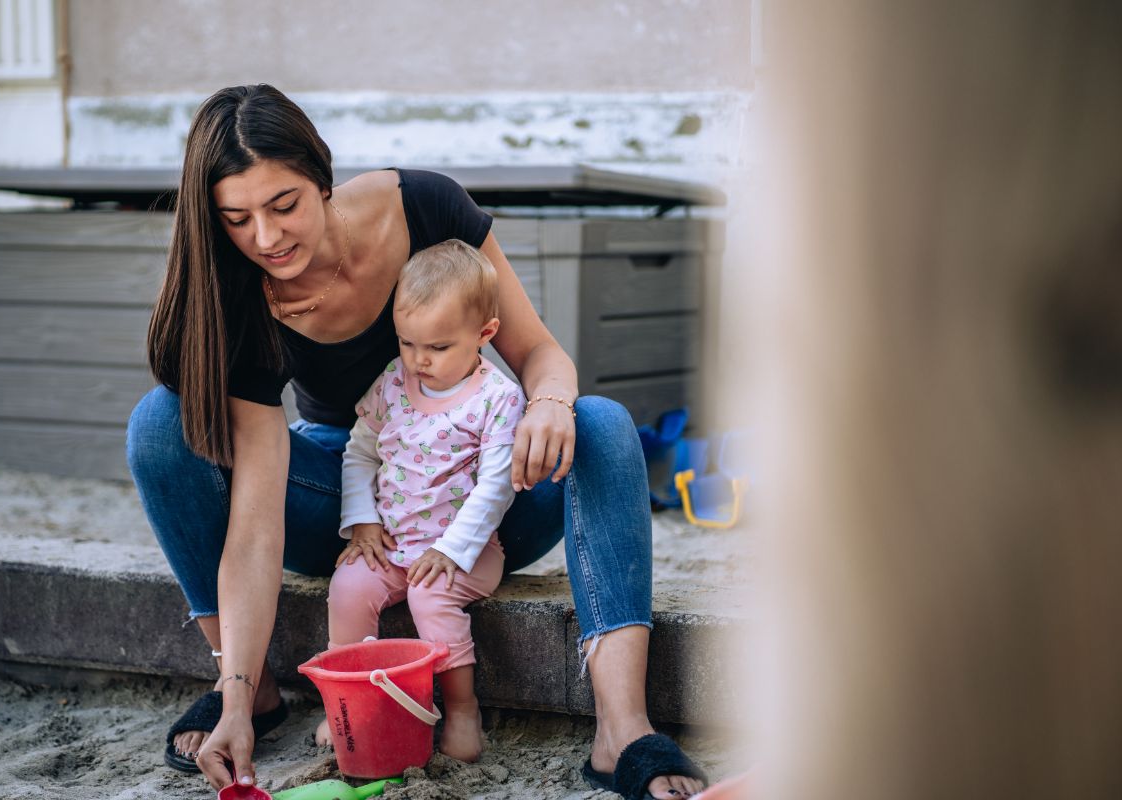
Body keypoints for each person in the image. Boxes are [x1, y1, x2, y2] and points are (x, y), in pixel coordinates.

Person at [125, 83, 707, 797]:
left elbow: (540, 355)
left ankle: (625, 732)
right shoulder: (240, 295)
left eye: (284, 206)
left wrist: (550, 401)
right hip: (350, 511)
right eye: (237, 219)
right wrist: (238, 695)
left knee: (602, 422)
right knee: (159, 421)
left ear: (321, 176)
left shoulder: (426, 207)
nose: (267, 240)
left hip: (482, 502)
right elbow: (254, 520)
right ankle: (248, 690)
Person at [327, 239, 523, 763]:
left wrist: (453, 550)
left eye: (437, 347)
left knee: (429, 597)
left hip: (466, 552)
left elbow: (496, 486)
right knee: (348, 586)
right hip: (393, 544)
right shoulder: (394, 380)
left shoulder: (498, 399)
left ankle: (461, 708)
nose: (418, 360)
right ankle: (348, 700)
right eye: (408, 342)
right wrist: (363, 521)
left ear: (484, 334)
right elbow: (359, 452)